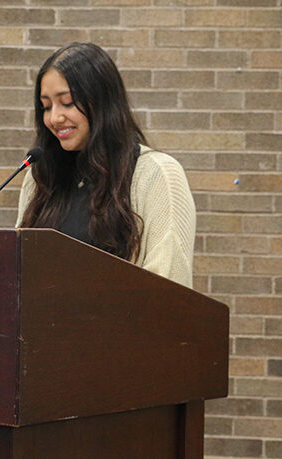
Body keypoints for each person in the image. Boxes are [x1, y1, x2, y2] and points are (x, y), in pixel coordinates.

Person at [16, 42, 196, 288]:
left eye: (67, 102)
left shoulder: (156, 174)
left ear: (102, 102)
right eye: (46, 106)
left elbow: (168, 287)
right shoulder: (41, 176)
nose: (55, 118)